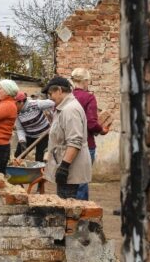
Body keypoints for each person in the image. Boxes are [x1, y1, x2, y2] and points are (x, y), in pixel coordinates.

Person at [42, 76, 91, 199]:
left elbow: (75, 141)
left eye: (50, 93)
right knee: (65, 204)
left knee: (68, 207)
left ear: (59, 90)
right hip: (65, 164)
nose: (50, 97)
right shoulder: (63, 108)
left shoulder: (70, 110)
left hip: (70, 168)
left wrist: (64, 167)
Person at [71, 68, 108, 200]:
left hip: (68, 144)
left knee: (70, 181)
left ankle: (68, 211)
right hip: (85, 144)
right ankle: (81, 213)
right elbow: (91, 123)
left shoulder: (67, 97)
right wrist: (102, 130)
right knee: (82, 180)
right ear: (85, 81)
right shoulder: (88, 97)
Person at [13, 91, 55, 162]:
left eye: (15, 104)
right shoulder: (16, 112)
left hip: (43, 135)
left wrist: (55, 114)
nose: (13, 106)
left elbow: (53, 103)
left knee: (40, 159)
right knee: (18, 155)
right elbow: (20, 129)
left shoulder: (36, 104)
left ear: (21, 102)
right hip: (29, 135)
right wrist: (22, 140)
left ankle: (40, 172)